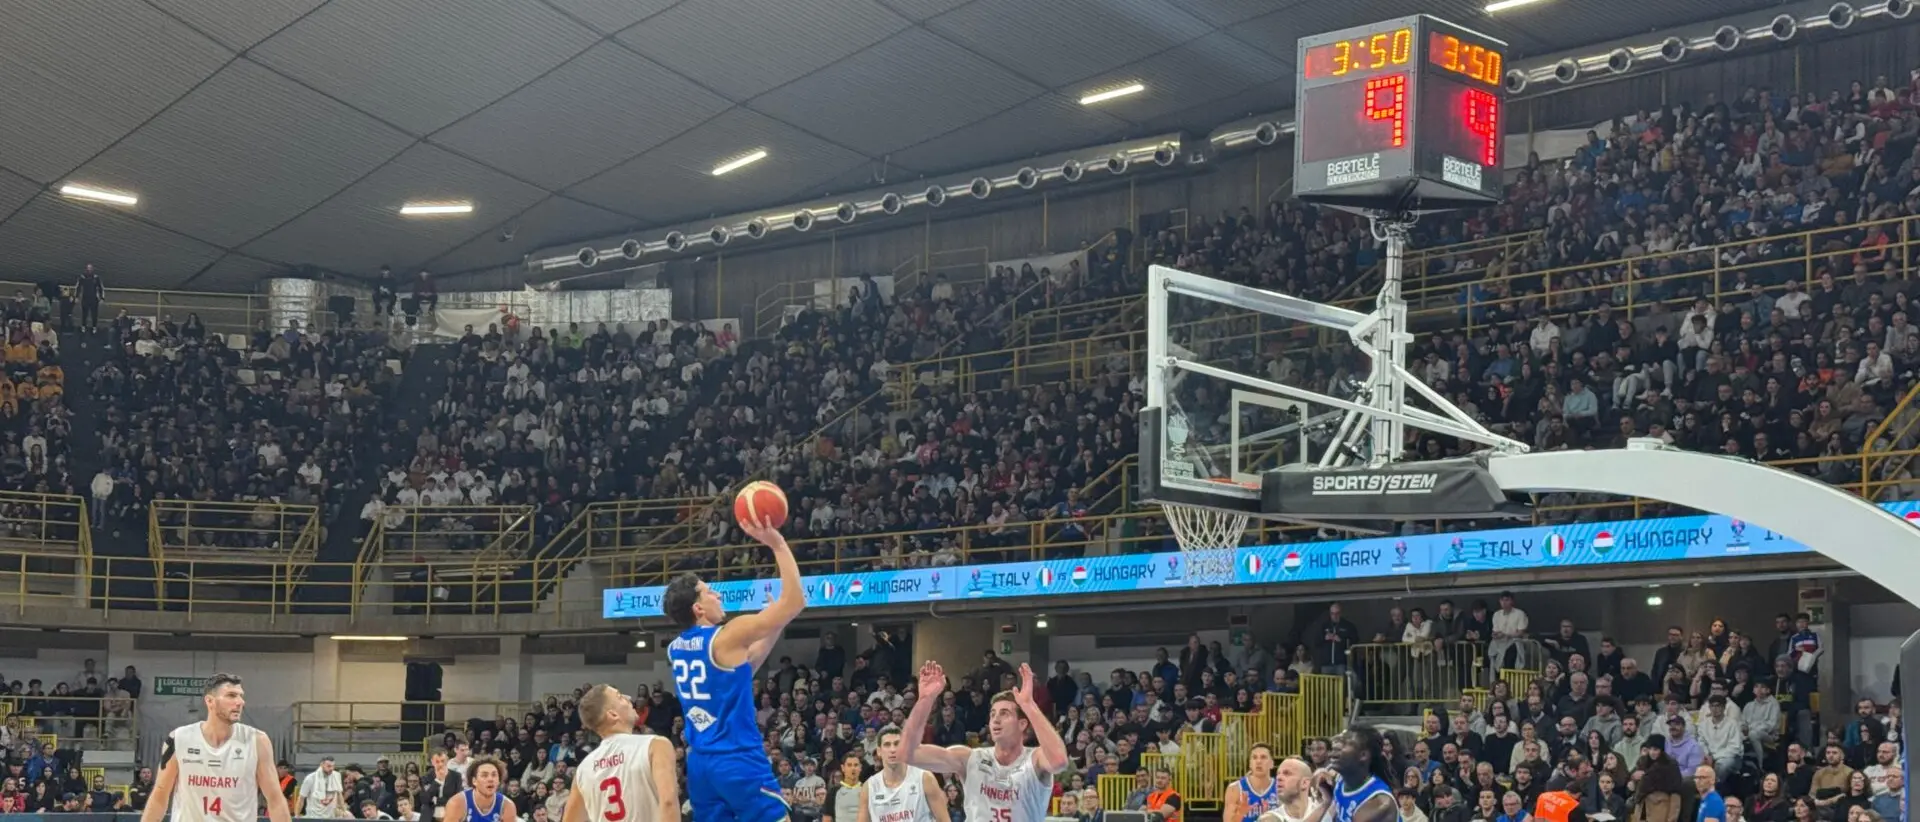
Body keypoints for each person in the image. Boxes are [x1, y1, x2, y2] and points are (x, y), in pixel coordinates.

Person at [663, 516, 807, 822]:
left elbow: (745, 667)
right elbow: (795, 601)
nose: (717, 595)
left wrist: (774, 626)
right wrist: (777, 543)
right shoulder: (725, 636)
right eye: (709, 592)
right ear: (698, 608)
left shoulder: (675, 648)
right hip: (737, 759)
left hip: (701, 765)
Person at [897, 660, 1068, 822]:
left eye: (1004, 714)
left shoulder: (1035, 759)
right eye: (993, 714)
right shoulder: (970, 758)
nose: (996, 719)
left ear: (1022, 724)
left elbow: (1059, 761)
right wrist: (925, 700)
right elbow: (908, 753)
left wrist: (1029, 705)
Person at [139, 674, 293, 822]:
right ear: (210, 701)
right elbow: (160, 795)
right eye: (231, 695)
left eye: (241, 696)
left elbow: (275, 800)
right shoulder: (179, 739)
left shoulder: (257, 740)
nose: (240, 702)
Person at [564, 685, 677, 822]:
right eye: (620, 697)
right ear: (613, 715)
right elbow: (668, 803)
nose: (628, 697)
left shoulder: (583, 769)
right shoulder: (656, 745)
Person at [858, 728, 948, 822]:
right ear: (879, 751)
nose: (893, 749)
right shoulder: (869, 787)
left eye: (897, 744)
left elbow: (944, 820)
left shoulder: (924, 779)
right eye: (887, 745)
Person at [1313, 727, 1396, 822]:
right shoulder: (1342, 781)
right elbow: (1331, 815)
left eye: (1345, 743)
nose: (1335, 746)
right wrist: (1327, 801)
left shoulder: (1378, 803)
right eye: (1338, 741)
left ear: (1363, 755)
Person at [443, 758, 517, 822]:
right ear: (474, 781)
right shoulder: (457, 803)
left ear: (499, 781)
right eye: (484, 775)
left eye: (494, 775)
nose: (490, 779)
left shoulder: (507, 806)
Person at [1227, 744, 1282, 822]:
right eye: (1254, 757)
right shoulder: (1235, 788)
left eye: (1263, 757)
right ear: (1250, 764)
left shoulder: (1281, 787)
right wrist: (1240, 814)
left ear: (1272, 764)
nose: (1258, 761)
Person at [1256, 758, 1322, 822]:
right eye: (1278, 774)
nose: (1279, 778)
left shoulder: (1324, 813)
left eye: (1287, 773)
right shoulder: (1271, 818)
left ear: (1304, 783)